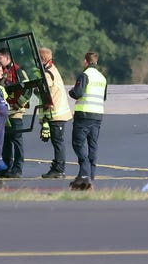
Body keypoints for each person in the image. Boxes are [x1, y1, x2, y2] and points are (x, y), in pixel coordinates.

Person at [68, 51, 107, 190]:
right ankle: (90, 176)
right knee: (92, 146)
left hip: (84, 115)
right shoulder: (102, 78)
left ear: (85, 61)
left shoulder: (85, 75)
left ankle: (84, 173)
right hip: (97, 115)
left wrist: (71, 92)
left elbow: (78, 93)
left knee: (78, 144)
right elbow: (103, 97)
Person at [0, 48, 31, 178]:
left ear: (7, 58)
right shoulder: (0, 73)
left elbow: (28, 90)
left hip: (15, 113)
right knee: (5, 142)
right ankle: (6, 167)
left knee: (17, 141)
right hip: (4, 113)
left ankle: (17, 168)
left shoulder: (19, 71)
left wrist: (18, 104)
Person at [38, 47, 73, 179]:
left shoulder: (48, 73)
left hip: (56, 114)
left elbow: (45, 94)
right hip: (57, 114)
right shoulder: (52, 70)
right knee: (57, 142)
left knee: (58, 142)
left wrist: (45, 120)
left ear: (43, 59)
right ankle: (57, 167)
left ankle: (59, 169)